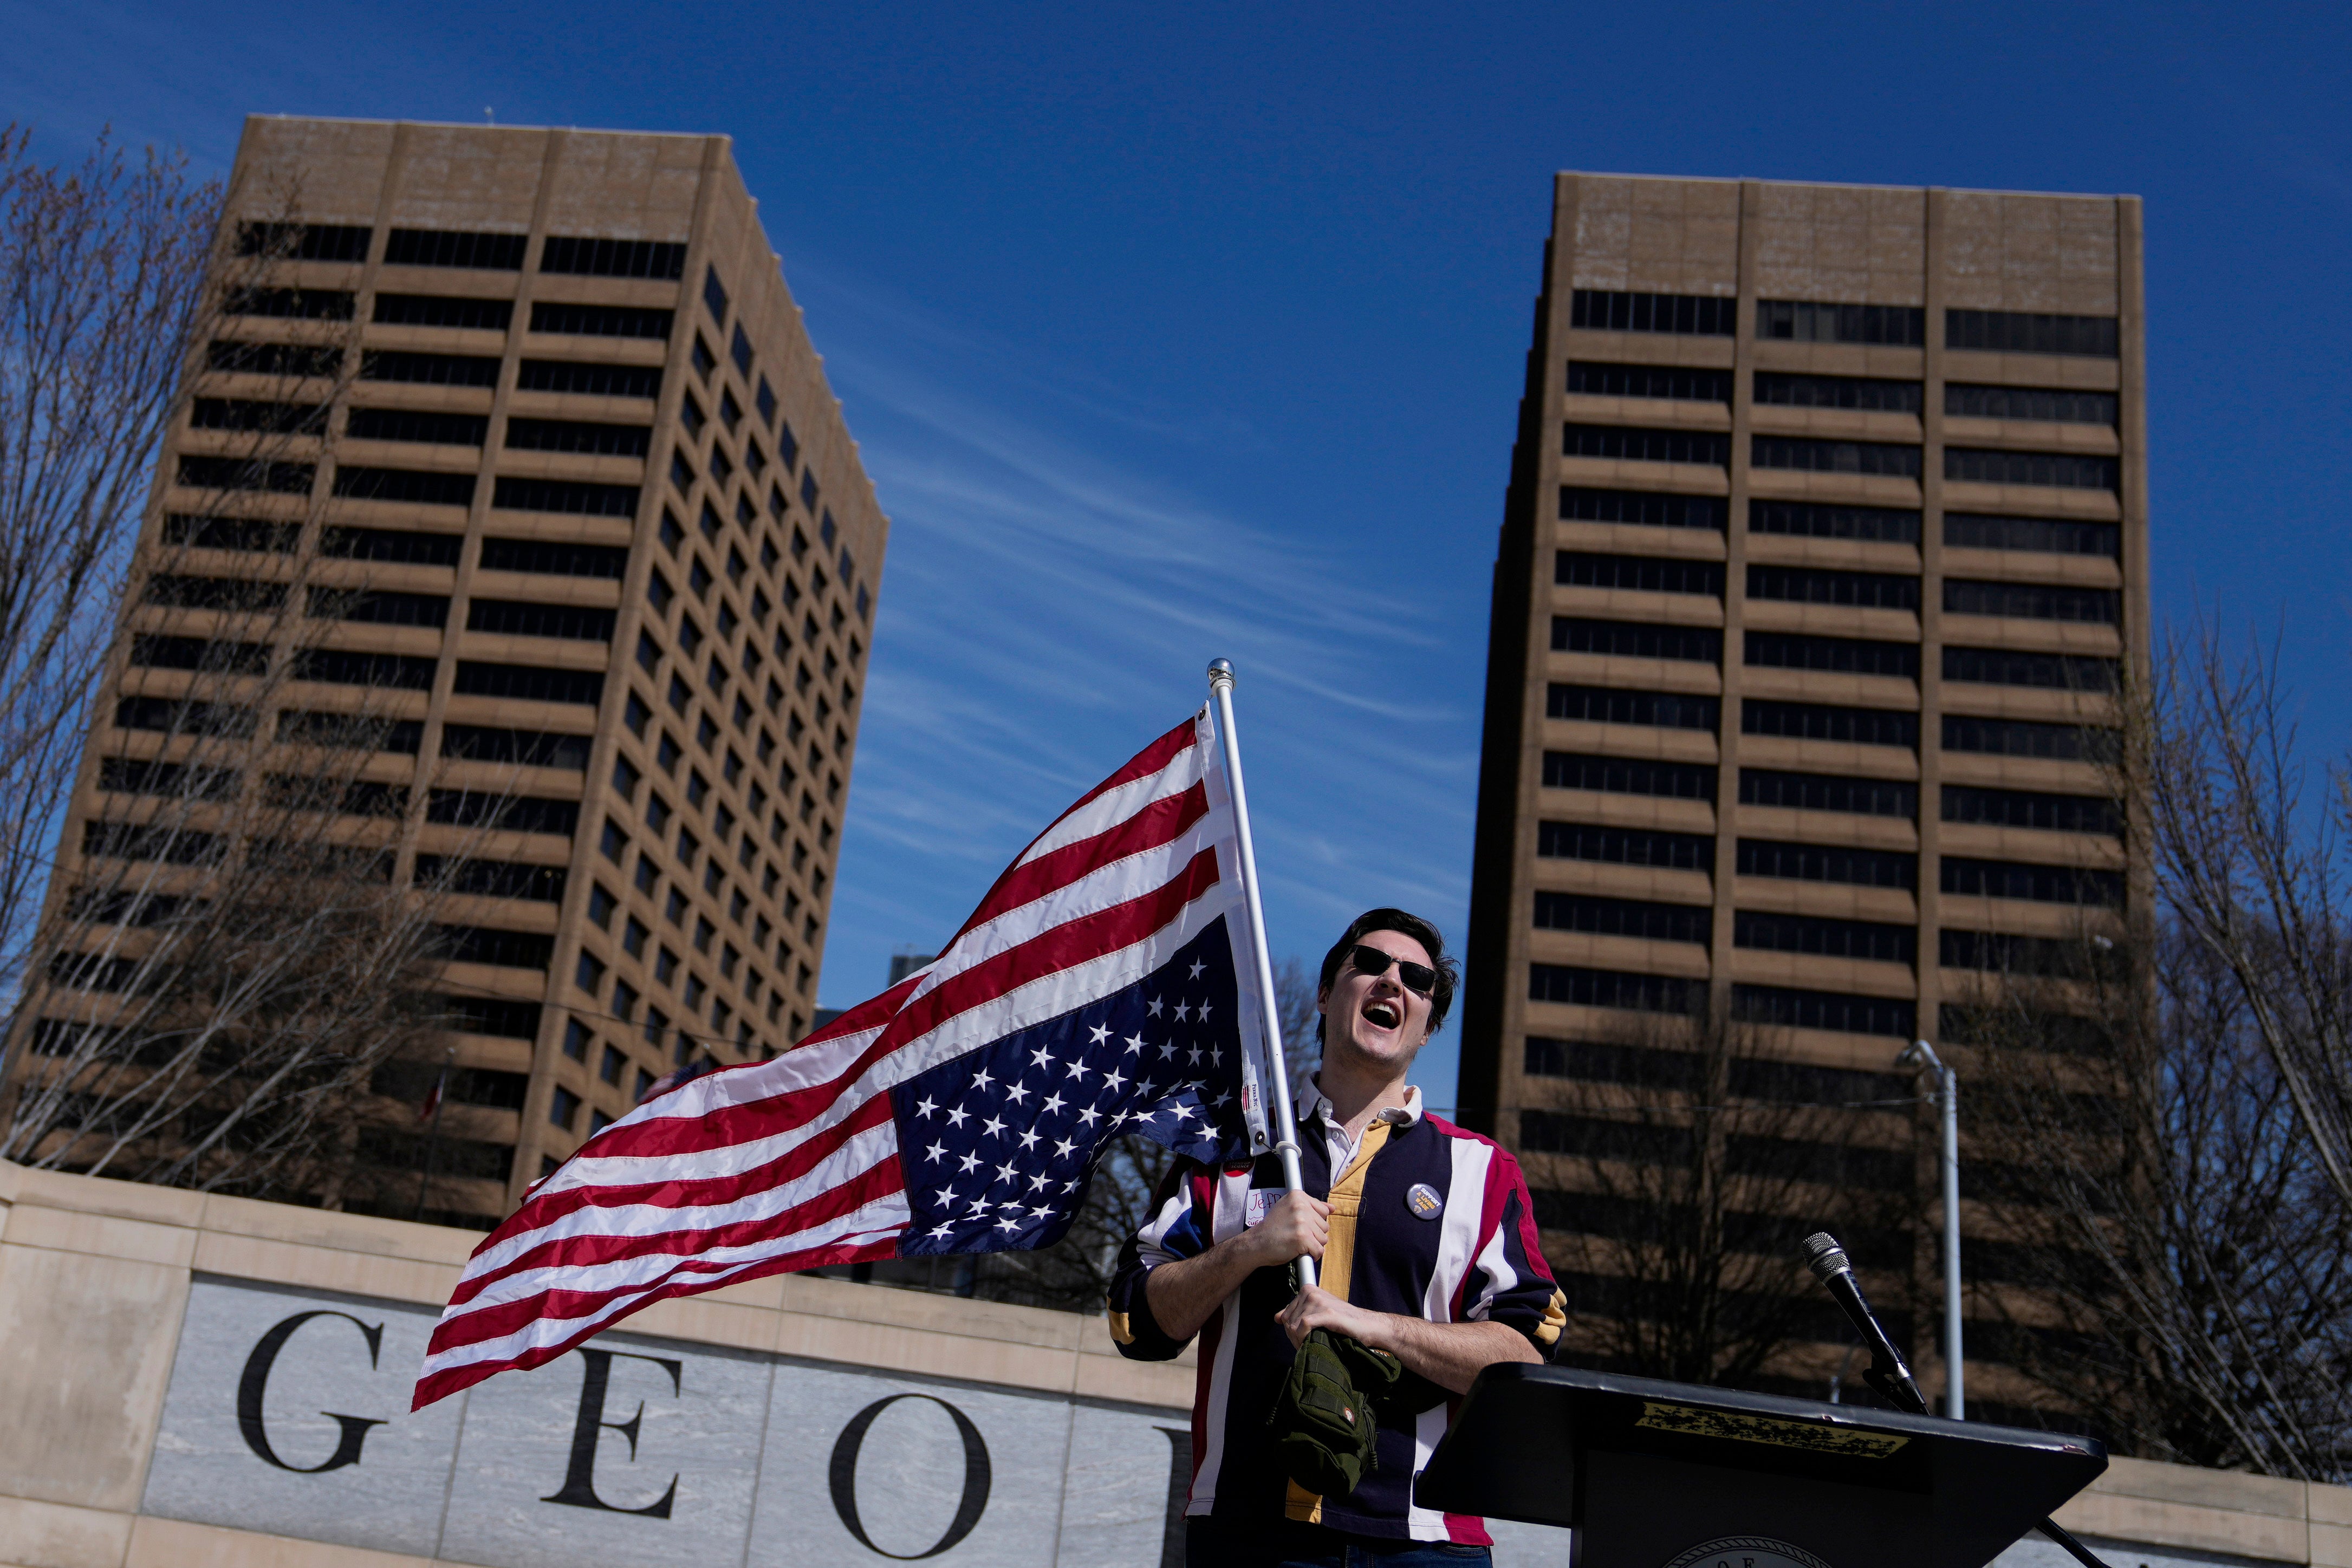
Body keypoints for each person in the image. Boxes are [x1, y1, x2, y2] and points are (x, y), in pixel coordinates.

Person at [1108, 908, 1566, 1565]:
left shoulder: (1484, 1171)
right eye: (1370, 964)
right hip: (1248, 1530)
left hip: (1425, 1544)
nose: (1391, 982)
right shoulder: (1231, 1150)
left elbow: (1521, 1355)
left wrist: (1372, 1327)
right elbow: (1137, 1322)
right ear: (1326, 996)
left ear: (1428, 1028)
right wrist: (1249, 1249)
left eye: (1416, 979)